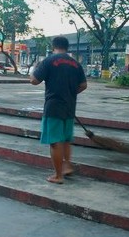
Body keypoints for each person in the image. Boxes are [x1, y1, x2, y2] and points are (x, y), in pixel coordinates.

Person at [30, 36, 87, 184]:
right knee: (66, 139)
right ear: (67, 47)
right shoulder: (75, 63)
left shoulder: (49, 61)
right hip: (69, 106)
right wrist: (70, 93)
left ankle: (58, 176)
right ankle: (67, 166)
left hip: (53, 107)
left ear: (53, 46)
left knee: (55, 142)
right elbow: (83, 85)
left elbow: (34, 81)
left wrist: (33, 70)